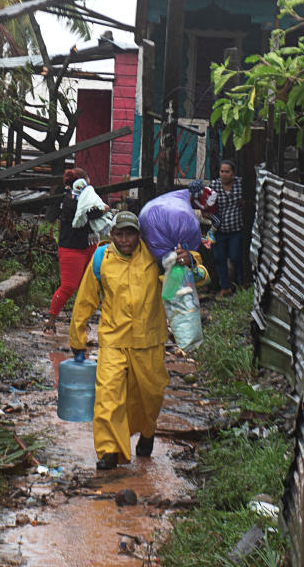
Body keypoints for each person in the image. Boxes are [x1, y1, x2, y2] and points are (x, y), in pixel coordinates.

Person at [69, 211, 194, 470]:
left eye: (130, 234)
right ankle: (109, 451)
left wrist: (191, 261)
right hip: (113, 340)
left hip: (149, 340)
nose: (125, 240)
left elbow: (193, 275)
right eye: (120, 234)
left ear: (139, 235)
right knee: (108, 397)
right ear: (112, 234)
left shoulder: (156, 254)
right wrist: (77, 337)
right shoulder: (102, 259)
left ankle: (147, 432)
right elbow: (85, 300)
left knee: (151, 396)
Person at [44, 168, 107, 334]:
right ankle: (50, 320)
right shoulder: (72, 199)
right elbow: (91, 214)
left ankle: (81, 319)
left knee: (88, 286)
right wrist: (104, 210)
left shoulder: (83, 196)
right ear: (83, 181)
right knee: (69, 286)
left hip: (88, 245)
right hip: (72, 249)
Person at [209, 160, 247, 298]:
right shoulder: (214, 186)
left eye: (227, 171)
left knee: (235, 257)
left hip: (235, 229)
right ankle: (225, 288)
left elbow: (246, 201)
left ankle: (241, 283)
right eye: (222, 171)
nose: (224, 174)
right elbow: (207, 205)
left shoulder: (240, 184)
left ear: (233, 173)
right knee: (219, 258)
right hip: (219, 230)